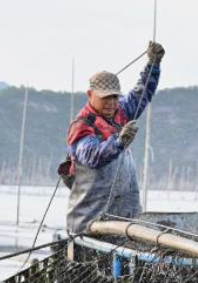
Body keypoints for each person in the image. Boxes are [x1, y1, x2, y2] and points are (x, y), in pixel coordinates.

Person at [64, 41, 164, 234]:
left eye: (114, 97)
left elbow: (141, 94)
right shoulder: (82, 127)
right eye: (105, 98)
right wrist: (118, 142)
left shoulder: (120, 113)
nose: (111, 103)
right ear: (90, 95)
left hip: (125, 223)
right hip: (90, 226)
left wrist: (153, 64)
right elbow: (93, 155)